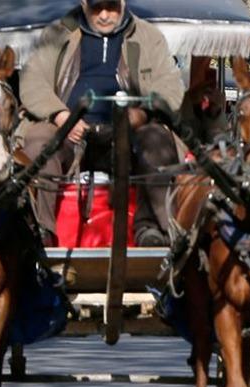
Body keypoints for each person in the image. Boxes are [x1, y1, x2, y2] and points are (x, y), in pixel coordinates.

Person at [18, 0, 185, 247]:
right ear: (84, 3)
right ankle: (41, 231)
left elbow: (170, 88)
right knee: (39, 140)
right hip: (68, 132)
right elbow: (33, 81)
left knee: (157, 139)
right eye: (97, 8)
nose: (105, 15)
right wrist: (61, 117)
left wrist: (140, 114)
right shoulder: (57, 33)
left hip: (128, 134)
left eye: (112, 7)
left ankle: (150, 229)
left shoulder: (149, 37)